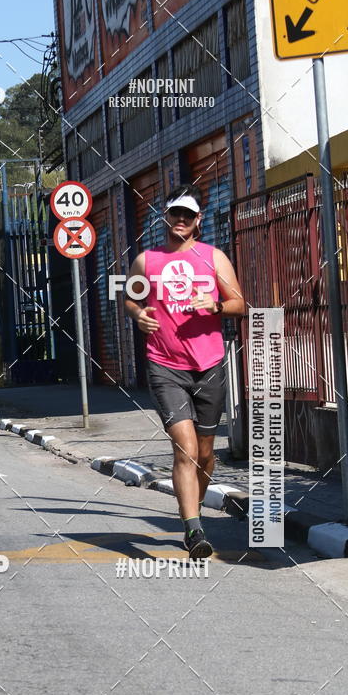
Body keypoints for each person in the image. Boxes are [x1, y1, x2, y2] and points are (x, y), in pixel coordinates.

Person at [124, 184, 245, 558]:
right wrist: (138, 313)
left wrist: (214, 305)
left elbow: (239, 303)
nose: (180, 220)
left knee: (206, 454)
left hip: (208, 366)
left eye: (187, 215)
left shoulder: (213, 258)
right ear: (167, 216)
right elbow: (130, 295)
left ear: (197, 221)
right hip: (164, 366)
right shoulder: (147, 260)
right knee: (187, 450)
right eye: (174, 213)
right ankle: (193, 529)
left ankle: (194, 505)